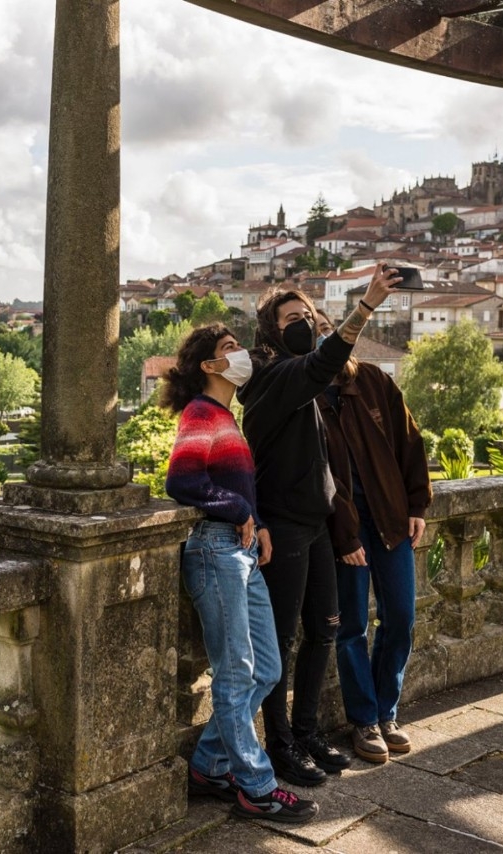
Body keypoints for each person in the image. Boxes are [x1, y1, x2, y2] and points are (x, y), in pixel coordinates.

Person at [237, 268, 398, 787]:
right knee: (281, 642)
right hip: (281, 528)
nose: (306, 323)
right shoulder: (270, 379)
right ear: (270, 330)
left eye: (310, 316)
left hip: (315, 525)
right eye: (293, 318)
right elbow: (324, 360)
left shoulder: (301, 379)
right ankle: (280, 744)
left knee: (324, 631)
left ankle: (306, 733)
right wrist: (366, 306)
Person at [164, 323, 318, 824]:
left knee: (267, 669)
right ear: (210, 367)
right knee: (234, 674)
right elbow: (183, 480)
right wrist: (238, 510)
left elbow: (236, 486)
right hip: (214, 550)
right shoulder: (201, 413)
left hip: (241, 552)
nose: (242, 354)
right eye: (229, 349)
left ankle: (209, 765)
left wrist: (259, 523)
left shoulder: (228, 417)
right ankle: (257, 786)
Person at [318, 355, 432, 763]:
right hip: (344, 530)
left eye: (325, 323)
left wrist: (417, 504)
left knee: (401, 617)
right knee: (352, 626)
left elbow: (409, 441)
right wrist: (343, 535)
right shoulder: (303, 392)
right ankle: (364, 720)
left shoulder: (371, 380)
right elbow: (315, 476)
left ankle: (388, 713)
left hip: (391, 519)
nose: (321, 332)